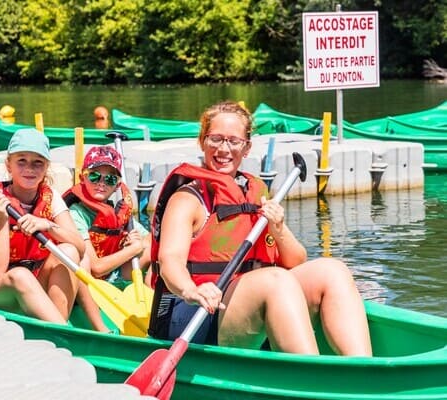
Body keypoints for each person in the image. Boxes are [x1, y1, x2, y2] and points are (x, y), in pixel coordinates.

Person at [148, 100, 372, 356]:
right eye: (216, 139)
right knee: (275, 281)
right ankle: (311, 379)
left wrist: (278, 228)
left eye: (233, 141)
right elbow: (170, 263)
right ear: (202, 141)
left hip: (248, 301)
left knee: (333, 270)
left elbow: (296, 261)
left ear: (247, 148)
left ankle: (363, 370)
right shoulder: (187, 199)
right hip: (196, 312)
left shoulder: (255, 192)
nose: (224, 149)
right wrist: (191, 289)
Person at [0, 128, 87, 325]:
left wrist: (48, 226)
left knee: (68, 251)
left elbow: (80, 247)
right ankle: (62, 330)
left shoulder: (51, 197)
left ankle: (57, 323)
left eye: (37, 163)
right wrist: (2, 219)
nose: (29, 169)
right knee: (20, 276)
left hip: (36, 282)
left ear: (46, 167)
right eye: (21, 161)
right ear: (9, 165)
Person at [64, 145, 151, 289]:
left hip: (114, 277)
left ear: (117, 185)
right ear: (82, 178)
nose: (101, 183)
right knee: (141, 247)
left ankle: (156, 302)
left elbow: (148, 239)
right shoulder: (75, 214)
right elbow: (96, 268)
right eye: (94, 176)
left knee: (153, 247)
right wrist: (132, 249)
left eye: (110, 179)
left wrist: (134, 241)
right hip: (89, 282)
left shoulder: (119, 213)